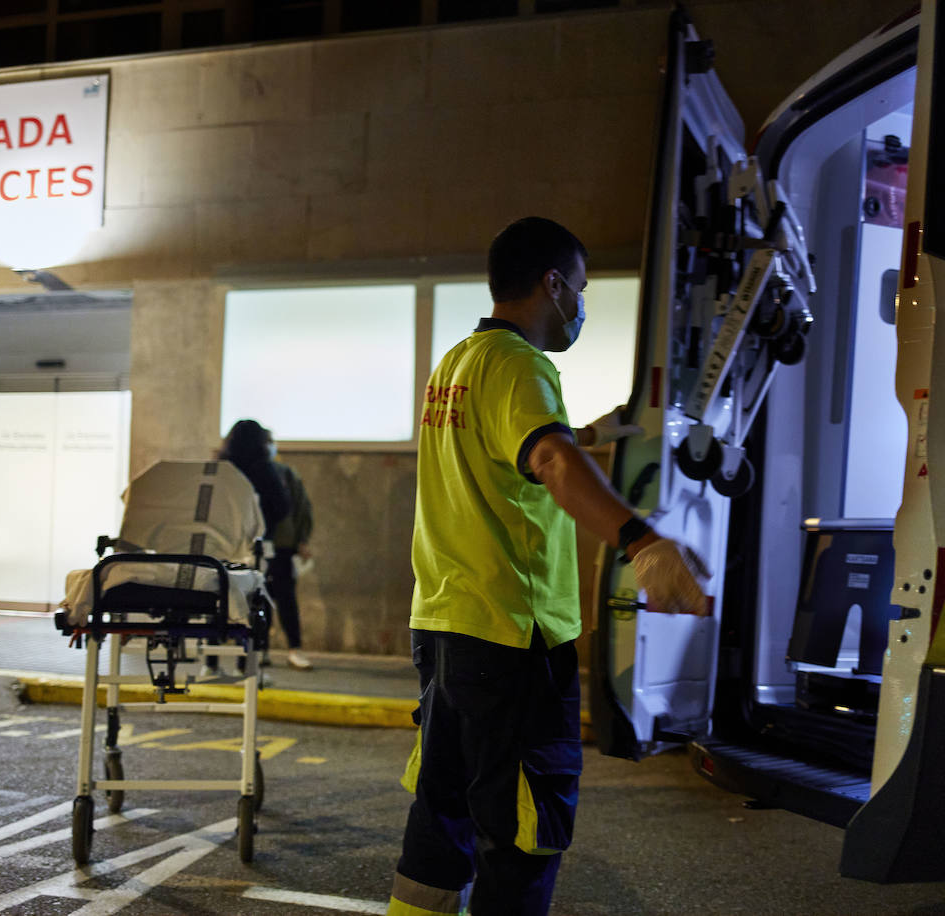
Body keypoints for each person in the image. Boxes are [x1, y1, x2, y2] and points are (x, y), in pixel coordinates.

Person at [386, 217, 709, 916]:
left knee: (445, 808)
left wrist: (598, 431)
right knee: (526, 830)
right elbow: (548, 459)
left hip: (446, 625)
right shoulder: (522, 364)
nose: (582, 307)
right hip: (513, 634)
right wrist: (643, 541)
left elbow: (519, 445)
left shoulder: (459, 362)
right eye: (582, 290)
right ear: (552, 284)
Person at [210, 419, 291, 678]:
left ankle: (210, 662)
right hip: (255, 547)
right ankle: (247, 665)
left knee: (218, 598)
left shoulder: (221, 468)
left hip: (221, 544)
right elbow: (282, 507)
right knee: (255, 602)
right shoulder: (265, 470)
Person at [262, 428, 314, 671]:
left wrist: (302, 540)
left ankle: (295, 648)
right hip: (255, 547)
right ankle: (260, 649)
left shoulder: (284, 474)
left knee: (286, 599)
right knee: (260, 600)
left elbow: (302, 507)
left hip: (282, 546)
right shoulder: (246, 473)